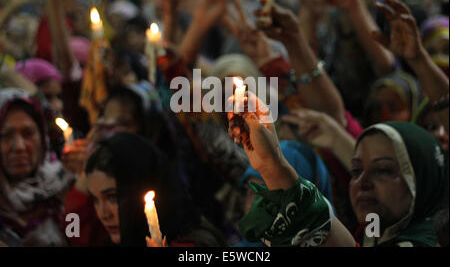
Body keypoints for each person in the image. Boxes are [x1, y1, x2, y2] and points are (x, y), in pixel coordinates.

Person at [229, 91, 448, 247]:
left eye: (383, 170)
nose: (362, 183)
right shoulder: (374, 236)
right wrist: (270, 165)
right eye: (355, 171)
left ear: (423, 180)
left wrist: (275, 168)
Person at [85, 132, 224, 247]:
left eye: (113, 197)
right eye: (95, 199)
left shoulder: (194, 244)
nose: (103, 214)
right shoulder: (118, 242)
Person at [0, 88, 74, 246]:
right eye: (5, 135)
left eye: (28, 133)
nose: (19, 146)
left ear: (43, 138)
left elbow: (78, 236)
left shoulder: (65, 187)